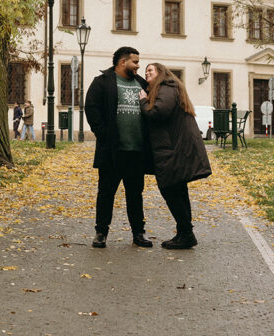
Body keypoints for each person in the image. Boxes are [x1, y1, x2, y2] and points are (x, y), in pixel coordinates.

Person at [84, 46, 153, 249]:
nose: (138, 66)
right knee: (106, 194)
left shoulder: (141, 83)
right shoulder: (102, 82)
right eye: (135, 62)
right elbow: (92, 109)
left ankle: (138, 233)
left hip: (136, 152)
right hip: (112, 151)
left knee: (135, 195)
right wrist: (103, 135)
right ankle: (101, 233)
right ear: (123, 62)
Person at [139, 63, 211, 250]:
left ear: (161, 73)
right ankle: (185, 232)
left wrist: (143, 101)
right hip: (175, 147)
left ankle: (186, 234)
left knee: (170, 190)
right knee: (178, 189)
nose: (146, 73)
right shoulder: (169, 87)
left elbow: (158, 112)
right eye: (145, 71)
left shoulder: (167, 87)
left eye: (150, 70)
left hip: (173, 149)